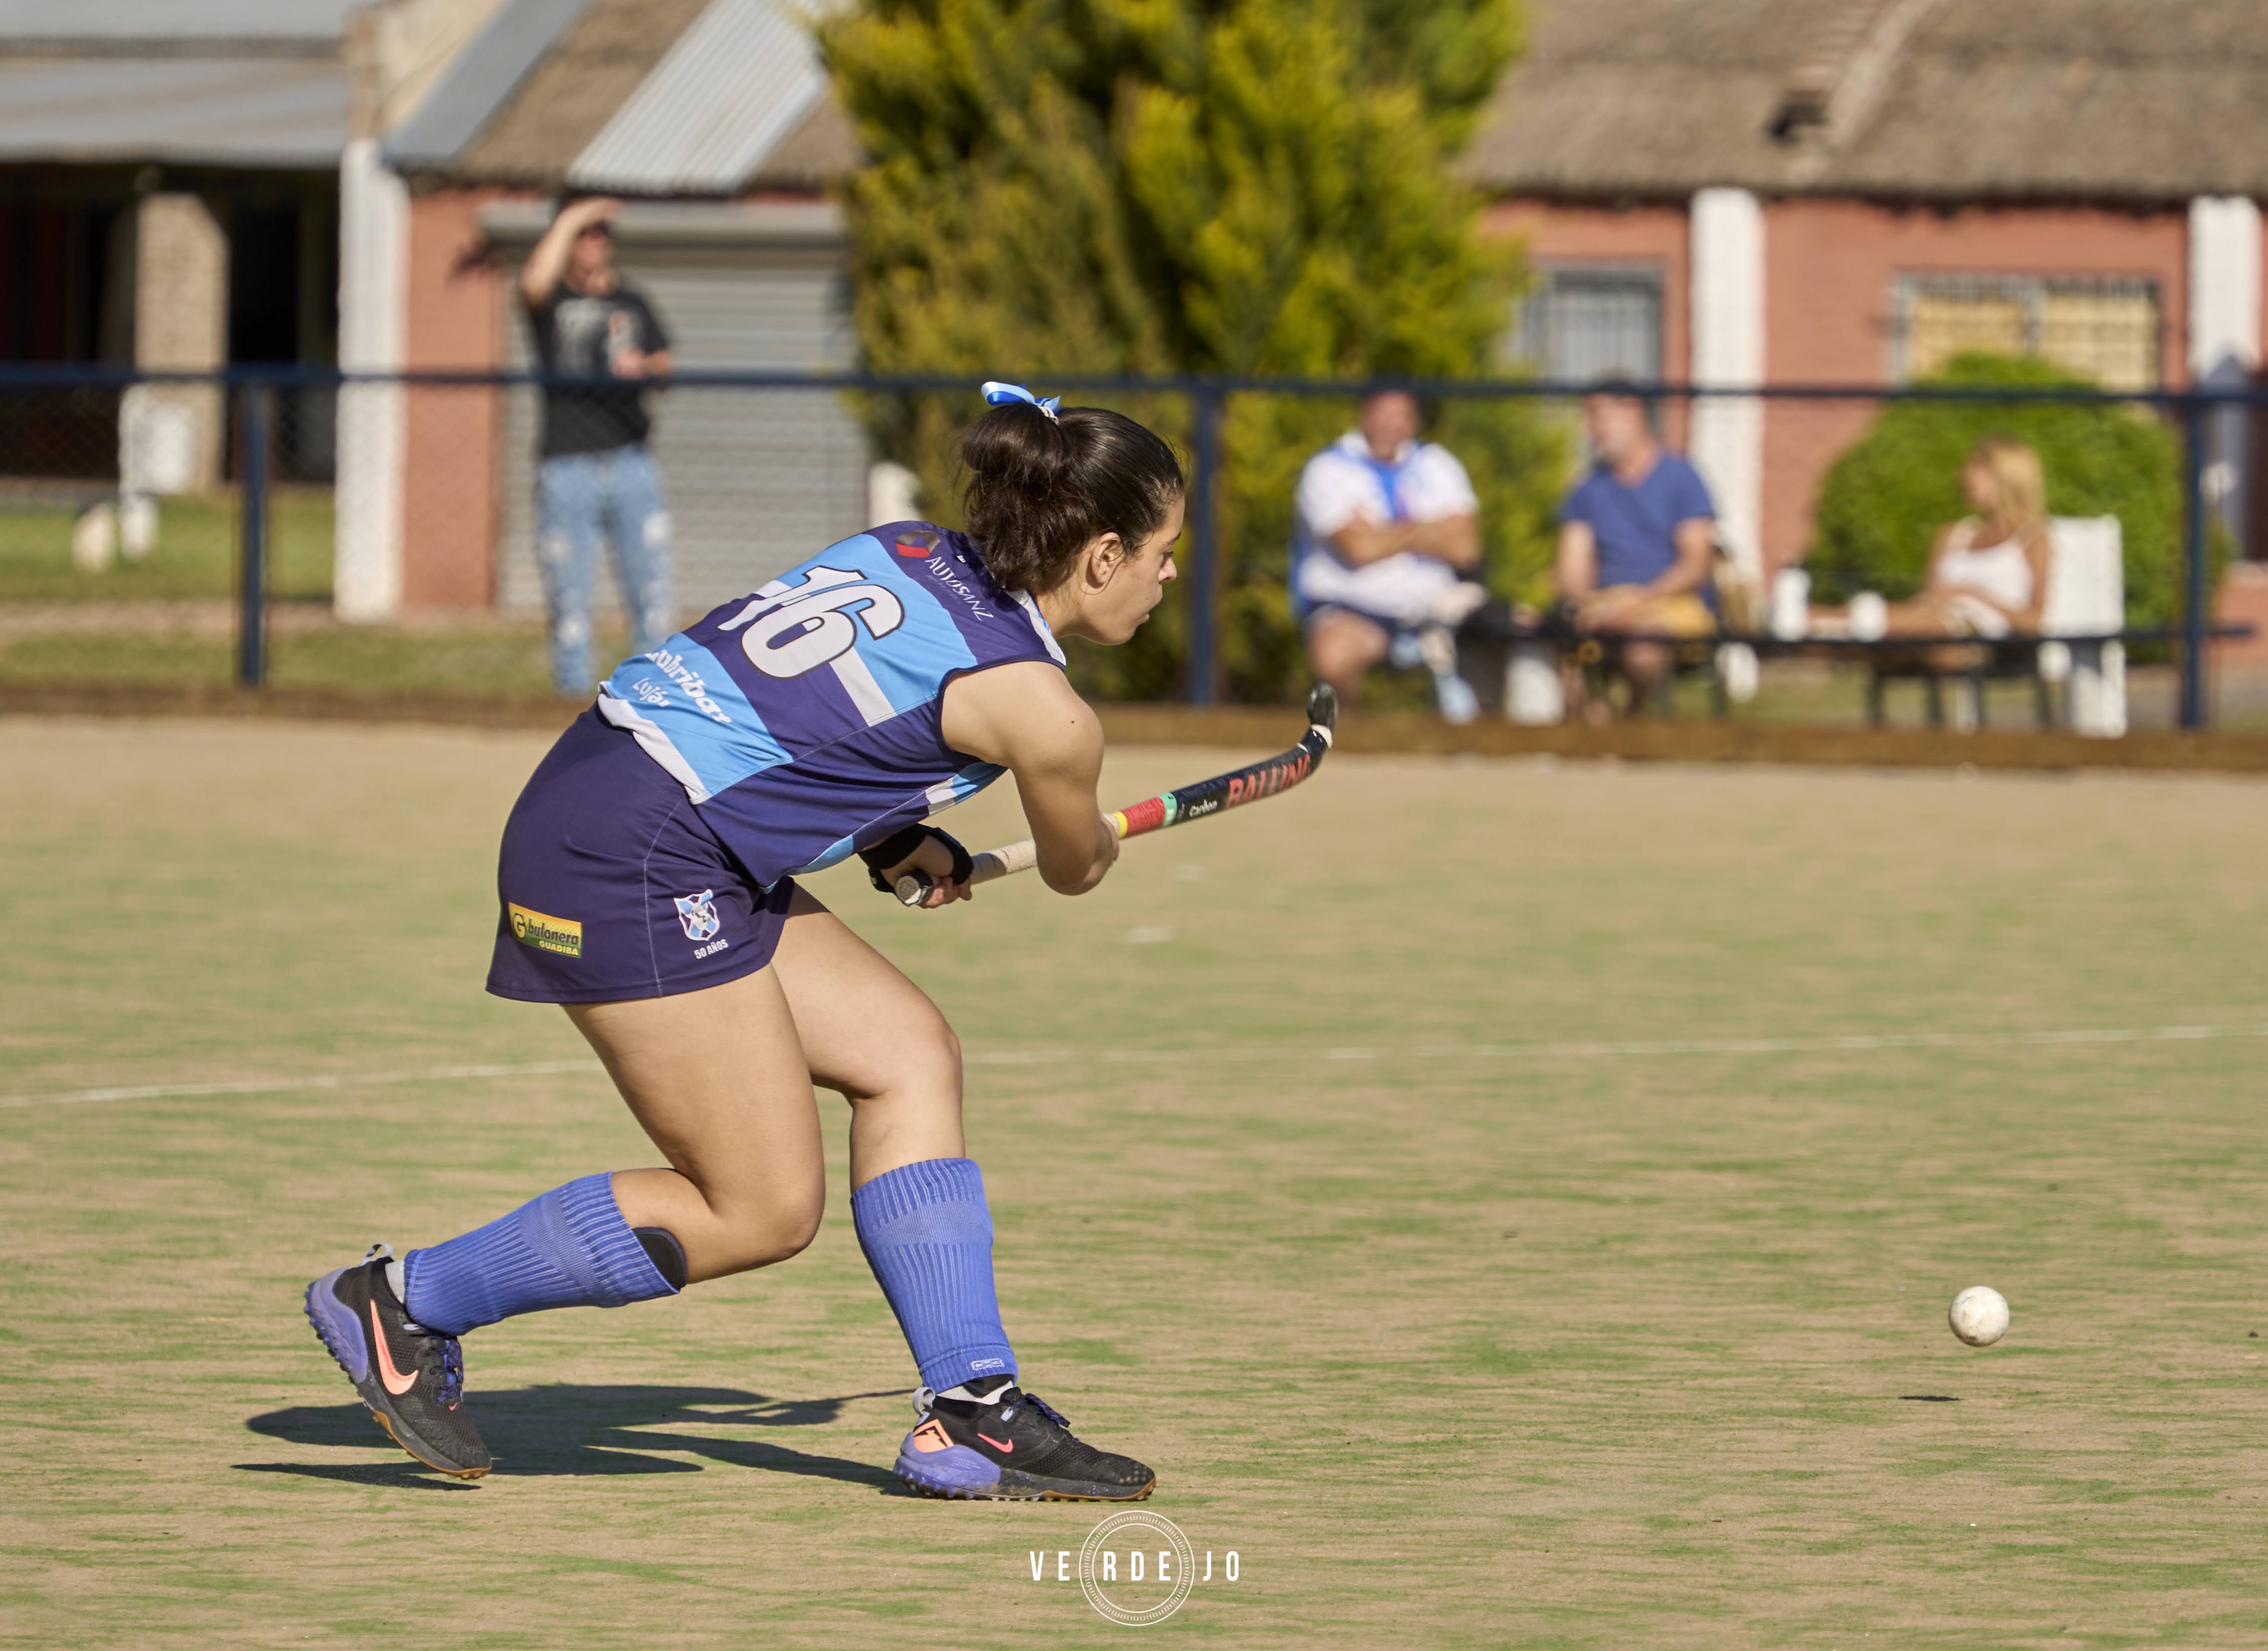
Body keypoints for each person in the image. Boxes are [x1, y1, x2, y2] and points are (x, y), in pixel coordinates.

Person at [304, 382, 1180, 1502]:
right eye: (1161, 552)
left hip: (615, 794)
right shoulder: (1046, 715)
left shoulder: (909, 549)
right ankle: (403, 1300)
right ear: (1100, 557)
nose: (1167, 577)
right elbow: (1073, 866)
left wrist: (892, 832)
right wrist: (1096, 835)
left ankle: (972, 1411)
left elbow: (804, 709)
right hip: (633, 854)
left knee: (907, 1054)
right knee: (760, 1206)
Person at [520, 196, 677, 696]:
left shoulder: (633, 301)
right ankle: (569, 694)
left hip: (630, 459)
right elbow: (531, 283)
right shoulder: (553, 302)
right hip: (566, 464)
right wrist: (572, 217)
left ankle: (653, 697)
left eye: (600, 233)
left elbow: (666, 367)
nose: (593, 242)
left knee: (651, 590)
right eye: (583, 235)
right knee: (569, 595)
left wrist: (644, 367)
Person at [1293, 390, 1484, 719]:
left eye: (1401, 416)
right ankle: (1346, 738)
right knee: (1334, 655)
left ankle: (1481, 737)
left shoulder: (1438, 463)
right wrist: (1433, 528)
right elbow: (1359, 550)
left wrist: (1380, 533)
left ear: (1415, 421)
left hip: (1435, 610)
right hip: (1355, 609)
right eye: (1382, 414)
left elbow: (1466, 550)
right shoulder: (1328, 467)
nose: (1390, 425)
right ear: (1364, 415)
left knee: (1506, 635)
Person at [1554, 383, 1718, 714]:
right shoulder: (1587, 489)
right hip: (1607, 604)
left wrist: (1636, 604)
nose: (1590, 430)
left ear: (1633, 411)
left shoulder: (1682, 478)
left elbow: (1696, 565)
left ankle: (1631, 721)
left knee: (1643, 646)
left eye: (1598, 417)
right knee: (1546, 638)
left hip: (1671, 604)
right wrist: (1585, 607)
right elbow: (1572, 566)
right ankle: (1594, 721)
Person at [1815, 436, 2051, 643]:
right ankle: (1824, 623)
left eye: (1974, 469)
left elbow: (2033, 622)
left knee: (1902, 626)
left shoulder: (2033, 540)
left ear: (2003, 477)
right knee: (1886, 620)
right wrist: (1932, 600)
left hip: (1975, 634)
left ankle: (1846, 625)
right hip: (1928, 618)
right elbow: (1925, 597)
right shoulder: (1953, 534)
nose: (1962, 477)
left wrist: (1971, 594)